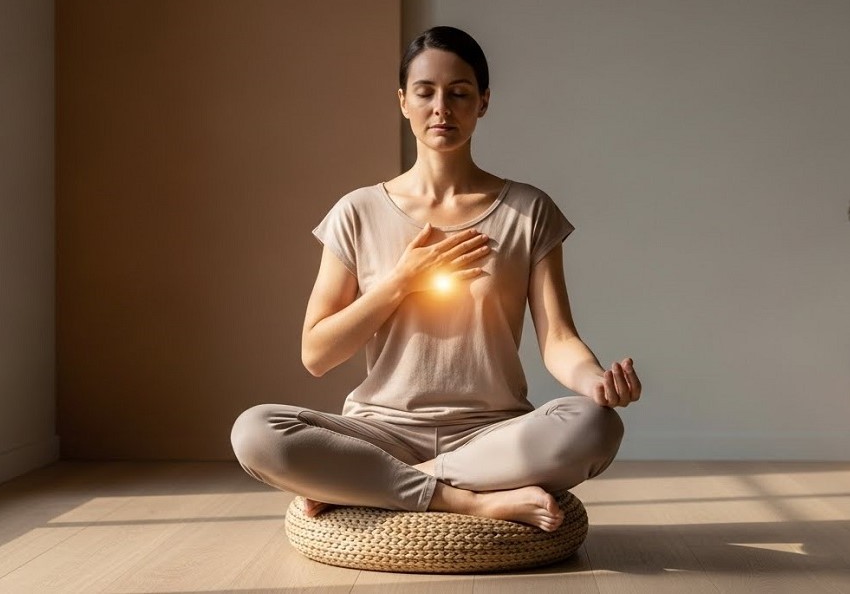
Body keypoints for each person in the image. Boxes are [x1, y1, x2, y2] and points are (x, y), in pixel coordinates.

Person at [231, 26, 642, 532]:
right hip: (379, 432)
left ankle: (380, 484)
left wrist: (594, 380)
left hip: (491, 435)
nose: (441, 108)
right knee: (255, 432)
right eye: (425, 92)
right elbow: (317, 354)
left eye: (459, 93)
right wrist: (401, 281)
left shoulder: (528, 210)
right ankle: (469, 502)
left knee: (596, 426)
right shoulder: (357, 211)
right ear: (403, 102)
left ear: (483, 102)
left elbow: (558, 339)